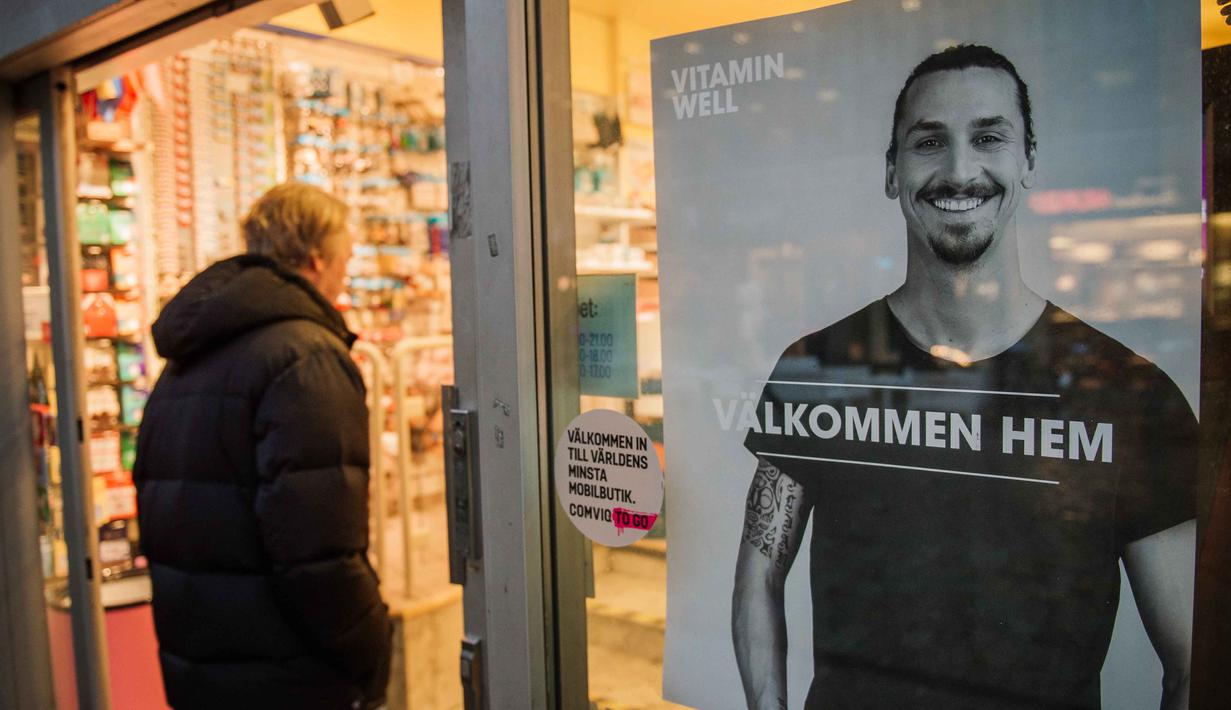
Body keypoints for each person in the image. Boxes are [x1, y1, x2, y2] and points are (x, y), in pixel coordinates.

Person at [732, 45, 1197, 710]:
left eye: (988, 137)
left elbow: (1192, 665)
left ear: (1026, 159)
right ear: (891, 172)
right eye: (928, 143)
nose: (958, 170)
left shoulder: (1131, 395)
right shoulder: (818, 367)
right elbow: (757, 576)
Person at [134, 183, 391, 709]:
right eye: (345, 258)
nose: (346, 272)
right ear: (317, 260)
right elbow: (319, 555)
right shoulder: (306, 358)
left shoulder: (188, 358)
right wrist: (374, 649)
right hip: (287, 678)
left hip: (202, 671)